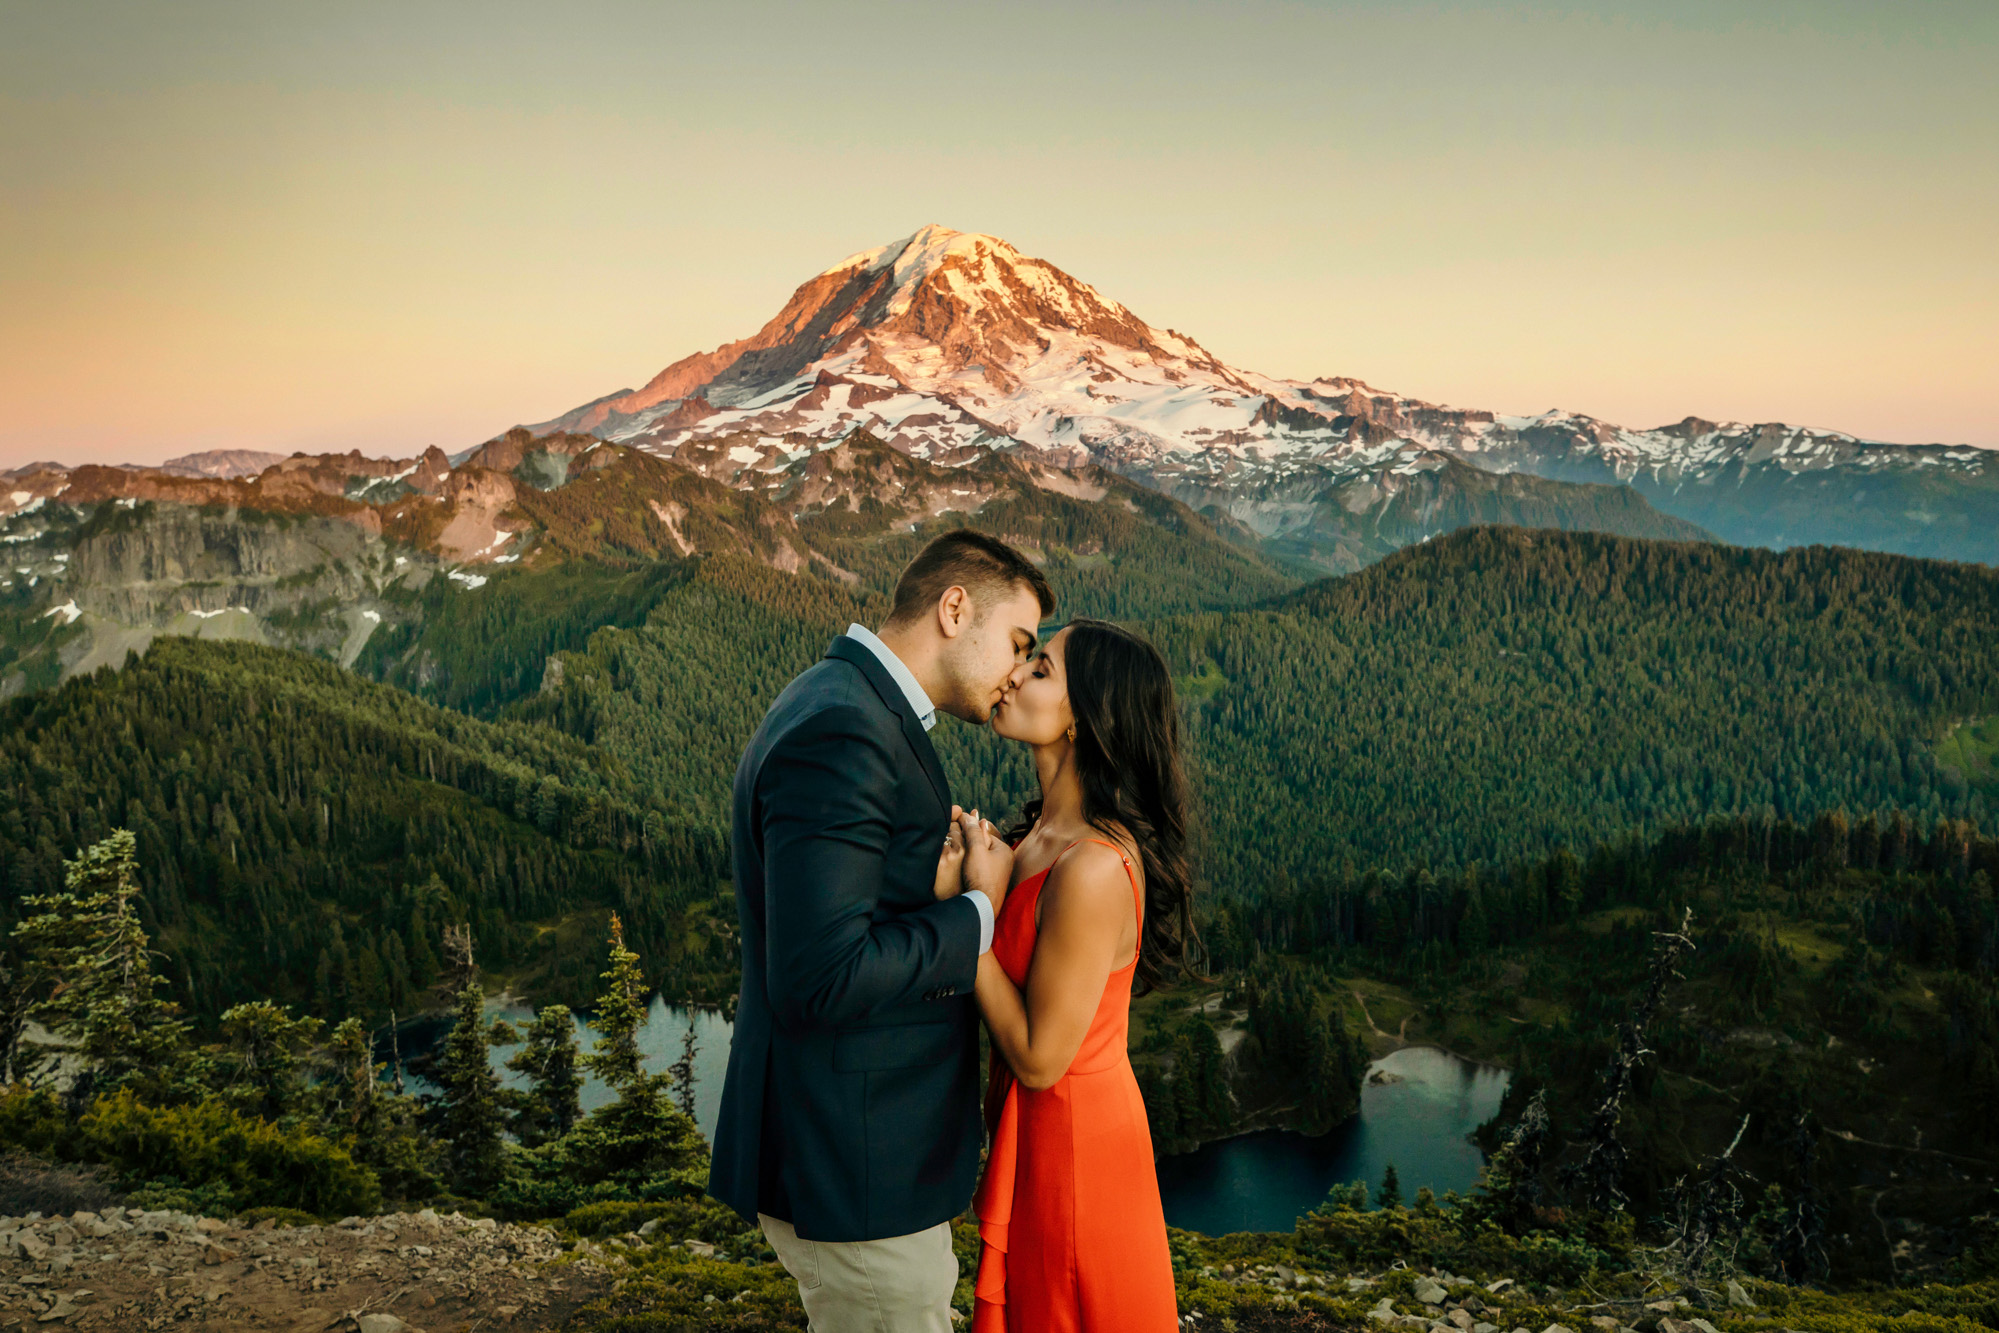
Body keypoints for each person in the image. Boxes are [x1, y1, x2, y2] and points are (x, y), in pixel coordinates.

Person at [710, 528, 1054, 1333]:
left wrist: (915, 883)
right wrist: (974, 908)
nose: (1016, 670)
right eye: (1016, 641)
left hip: (859, 1153)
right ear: (954, 607)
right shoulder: (848, 729)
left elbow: (837, 913)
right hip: (851, 1159)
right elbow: (820, 978)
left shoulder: (845, 700)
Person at [955, 617, 1197, 1332]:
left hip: (1076, 1145)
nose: (1015, 671)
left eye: (1041, 669)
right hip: (1039, 1133)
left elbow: (1037, 1057)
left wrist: (968, 917)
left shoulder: (1091, 866)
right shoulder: (1038, 839)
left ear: (1081, 722)